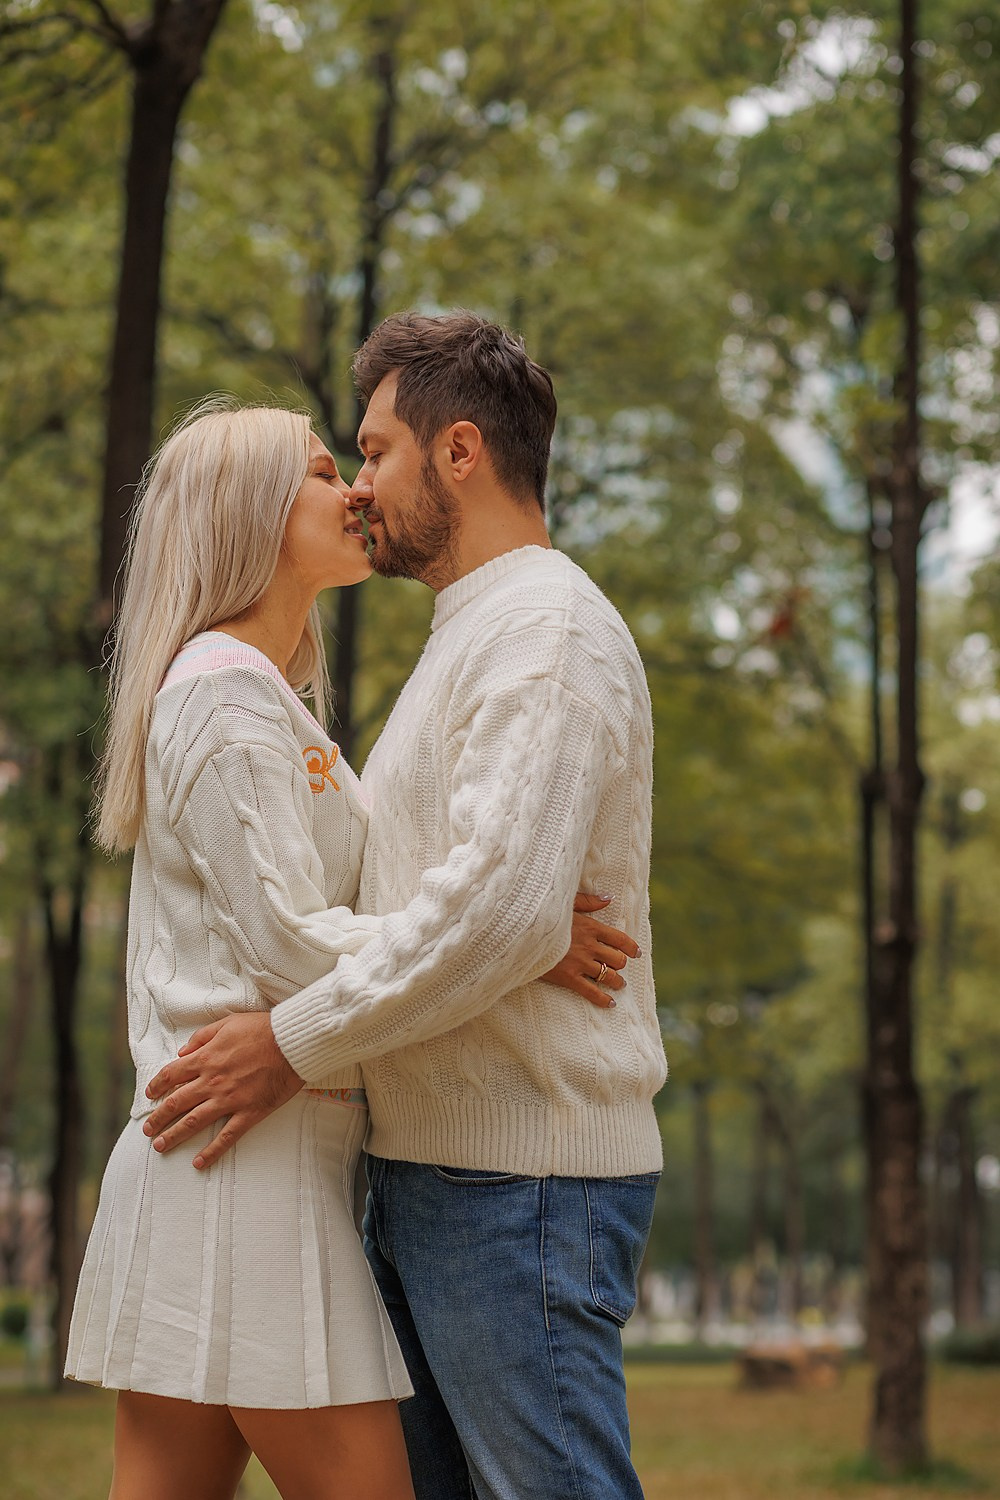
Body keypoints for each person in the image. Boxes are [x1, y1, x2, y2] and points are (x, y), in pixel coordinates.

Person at [67, 399, 634, 1500]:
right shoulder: (225, 697)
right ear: (250, 513)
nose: (356, 492)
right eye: (327, 471)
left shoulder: (260, 698)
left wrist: (504, 918)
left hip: (234, 1147)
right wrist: (510, 940)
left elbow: (326, 911)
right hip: (250, 1160)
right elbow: (287, 946)